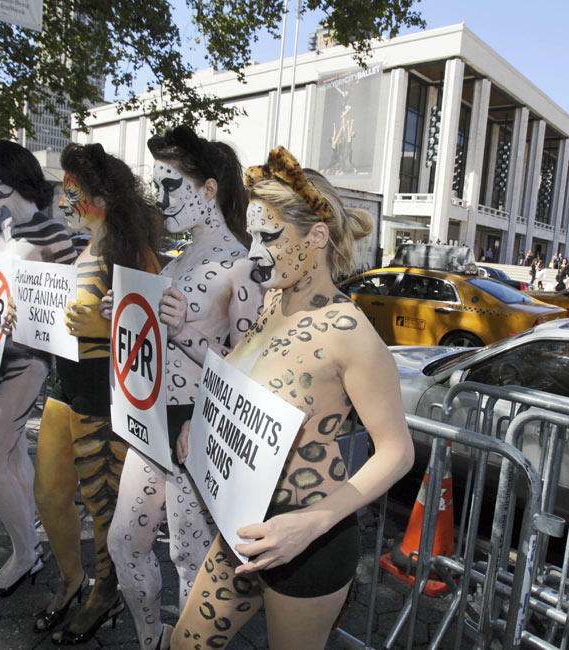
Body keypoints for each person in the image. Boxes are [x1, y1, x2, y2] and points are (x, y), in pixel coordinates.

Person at [171, 147, 413, 649]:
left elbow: (397, 450)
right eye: (251, 235)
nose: (253, 252)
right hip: (245, 526)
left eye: (268, 236)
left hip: (310, 544)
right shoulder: (273, 300)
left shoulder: (349, 332)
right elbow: (238, 377)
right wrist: (204, 421)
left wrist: (310, 524)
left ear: (316, 237)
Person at [104, 125, 264, 650]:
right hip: (152, 423)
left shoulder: (244, 265)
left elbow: (249, 373)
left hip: (199, 431)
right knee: (123, 542)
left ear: (209, 190)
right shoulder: (177, 259)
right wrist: (125, 315)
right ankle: (153, 641)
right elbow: (152, 339)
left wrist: (186, 334)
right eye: (158, 186)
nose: (161, 199)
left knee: (190, 561)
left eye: (172, 185)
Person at [32, 143, 162, 644]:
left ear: (100, 199)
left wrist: (106, 330)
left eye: (73, 193)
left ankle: (103, 592)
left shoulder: (132, 255)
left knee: (101, 505)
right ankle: (73, 580)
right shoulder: (85, 248)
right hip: (63, 390)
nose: (64, 203)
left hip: (103, 399)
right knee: (49, 493)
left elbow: (154, 334)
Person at [0, 140, 77, 600]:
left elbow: (63, 304)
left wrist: (20, 311)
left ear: (12, 174)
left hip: (27, 362)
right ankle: (30, 544)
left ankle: (23, 555)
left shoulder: (53, 232)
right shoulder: (4, 229)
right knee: (11, 458)